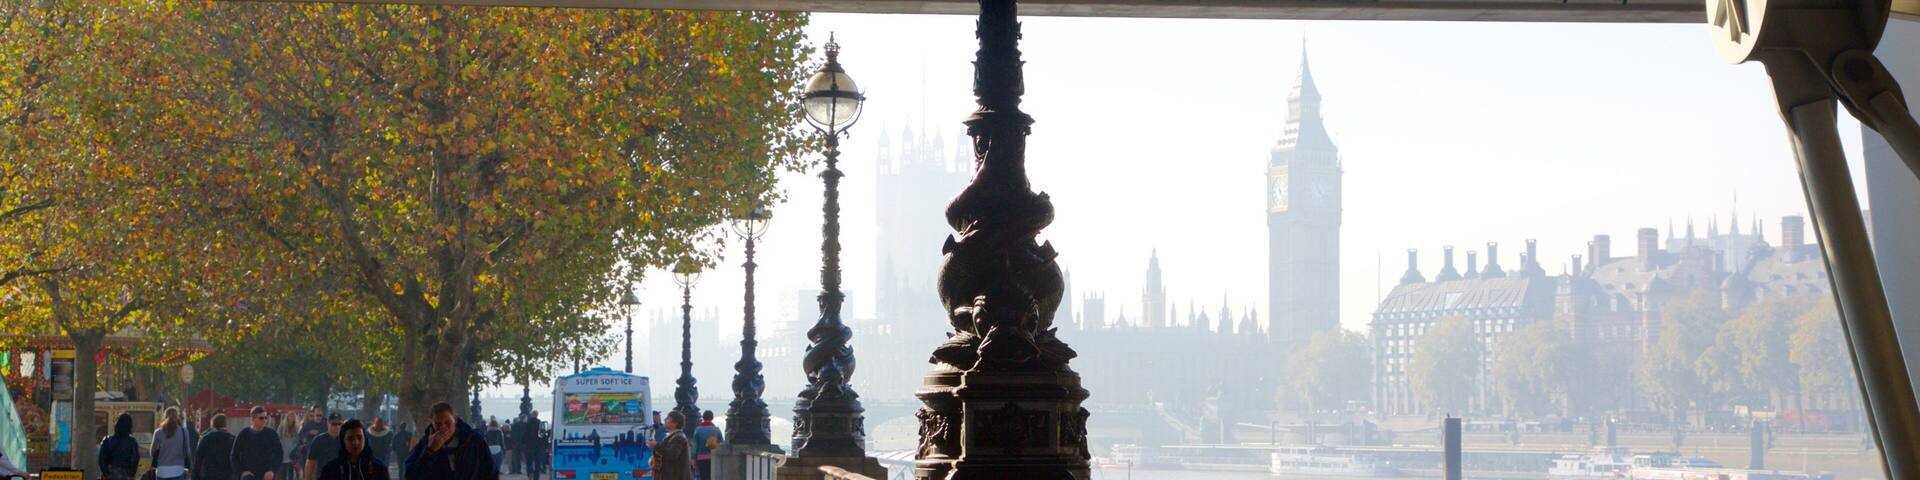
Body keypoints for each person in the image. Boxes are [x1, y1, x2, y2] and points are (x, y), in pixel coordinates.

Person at [403, 402, 496, 480]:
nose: (443, 428)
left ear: (454, 419)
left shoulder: (474, 440)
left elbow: (490, 471)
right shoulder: (425, 443)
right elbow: (411, 475)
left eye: (448, 422)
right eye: (438, 424)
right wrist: (429, 451)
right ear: (431, 423)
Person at [316, 420, 388, 480]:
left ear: (365, 439)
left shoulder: (379, 468)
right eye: (350, 438)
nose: (355, 442)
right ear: (343, 441)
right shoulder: (331, 470)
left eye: (359, 438)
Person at [232, 407, 284, 480]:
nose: (264, 420)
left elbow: (279, 454)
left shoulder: (272, 434)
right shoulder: (244, 434)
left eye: (266, 418)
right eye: (261, 418)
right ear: (253, 419)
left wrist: (272, 470)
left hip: (267, 475)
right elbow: (234, 455)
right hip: (249, 475)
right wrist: (241, 471)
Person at [154, 407, 196, 480]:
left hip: (161, 471)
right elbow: (187, 451)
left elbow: (152, 452)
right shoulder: (184, 431)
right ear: (177, 417)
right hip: (178, 470)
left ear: (165, 416)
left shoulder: (158, 432)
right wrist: (190, 467)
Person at [647, 412, 690, 480]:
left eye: (668, 418)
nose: (664, 420)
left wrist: (655, 445)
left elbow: (672, 455)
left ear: (675, 423)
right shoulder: (674, 436)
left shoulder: (678, 437)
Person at [98, 413, 141, 480]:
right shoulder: (132, 442)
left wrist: (105, 474)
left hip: (111, 472)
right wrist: (132, 474)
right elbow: (135, 459)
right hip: (126, 473)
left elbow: (101, 459)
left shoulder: (107, 440)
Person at [194, 414, 237, 480]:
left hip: (209, 475)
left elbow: (198, 459)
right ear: (225, 424)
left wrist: (196, 476)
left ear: (213, 425)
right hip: (227, 475)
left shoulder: (206, 438)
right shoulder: (232, 439)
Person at [305, 414, 344, 480]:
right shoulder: (318, 440)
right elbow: (310, 462)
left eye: (339, 424)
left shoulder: (345, 440)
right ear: (328, 423)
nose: (337, 426)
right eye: (334, 424)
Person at [689, 411, 722, 480]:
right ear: (712, 418)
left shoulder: (698, 430)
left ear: (703, 418)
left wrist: (693, 458)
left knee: (703, 477)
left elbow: (695, 445)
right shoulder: (716, 430)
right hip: (713, 456)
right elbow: (721, 443)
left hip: (701, 458)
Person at [515, 412, 541, 479]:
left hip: (529, 446)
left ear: (532, 415)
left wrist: (523, 443)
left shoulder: (527, 423)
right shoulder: (540, 423)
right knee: (537, 463)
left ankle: (530, 474)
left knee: (529, 462)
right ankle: (536, 477)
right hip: (538, 445)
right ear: (537, 415)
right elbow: (542, 434)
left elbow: (524, 434)